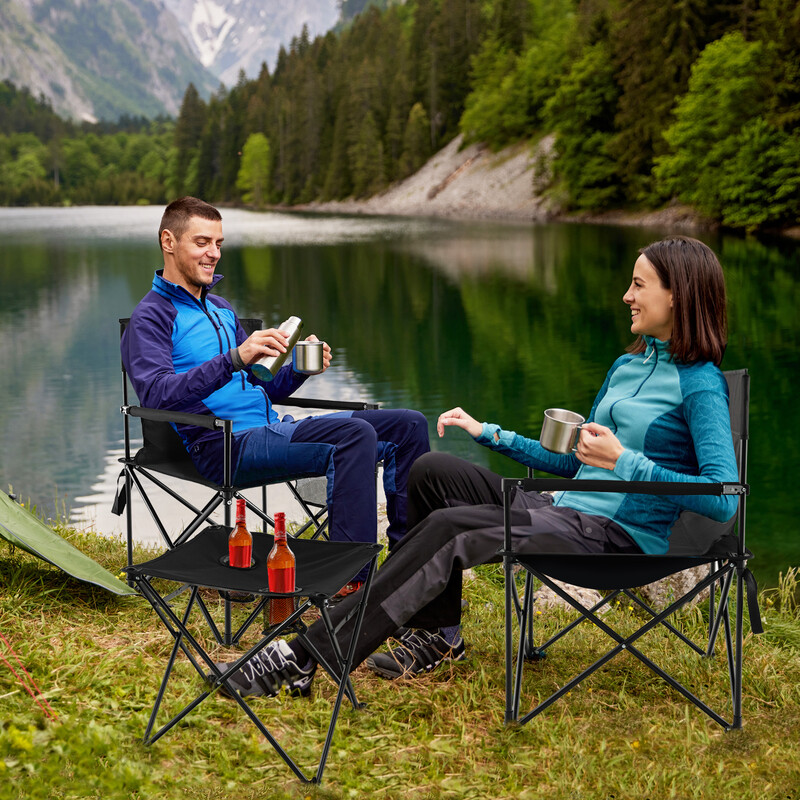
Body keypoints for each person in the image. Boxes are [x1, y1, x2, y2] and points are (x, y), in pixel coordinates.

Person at [213, 235, 740, 697]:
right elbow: (567, 462)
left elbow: (723, 496)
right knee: (432, 471)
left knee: (451, 528)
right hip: (561, 507)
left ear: (678, 296)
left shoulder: (701, 385)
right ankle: (439, 636)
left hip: (611, 536)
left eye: (639, 285)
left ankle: (303, 657)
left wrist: (626, 461)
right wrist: (486, 432)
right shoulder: (628, 365)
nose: (627, 295)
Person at [121, 196, 430, 592]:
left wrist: (300, 369)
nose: (213, 253)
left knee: (407, 426)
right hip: (222, 445)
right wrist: (235, 357)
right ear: (169, 241)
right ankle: (351, 587)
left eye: (218, 243)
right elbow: (158, 395)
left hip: (270, 430)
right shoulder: (152, 316)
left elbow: (262, 386)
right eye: (202, 242)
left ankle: (409, 569)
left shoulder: (219, 309)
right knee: (354, 437)